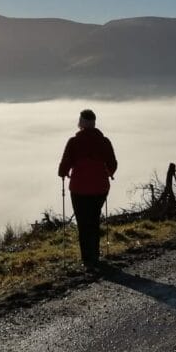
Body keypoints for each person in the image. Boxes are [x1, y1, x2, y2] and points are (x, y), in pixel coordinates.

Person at [57, 109, 117, 271]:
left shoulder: (74, 142)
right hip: (100, 188)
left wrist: (63, 173)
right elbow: (113, 164)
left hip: (79, 189)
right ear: (94, 122)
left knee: (83, 223)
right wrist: (108, 173)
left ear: (82, 122)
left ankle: (87, 258)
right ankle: (95, 254)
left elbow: (64, 166)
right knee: (94, 220)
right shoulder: (104, 142)